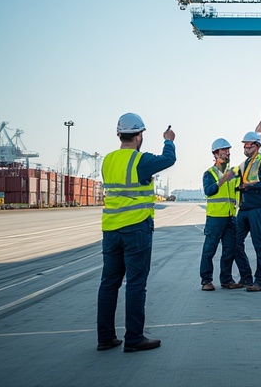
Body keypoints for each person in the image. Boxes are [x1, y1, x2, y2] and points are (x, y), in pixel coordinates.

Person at [96, 113, 175, 353]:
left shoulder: (107, 161)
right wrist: (169, 140)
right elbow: (168, 159)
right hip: (136, 229)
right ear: (139, 136)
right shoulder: (141, 161)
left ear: (119, 134)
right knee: (136, 283)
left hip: (110, 230)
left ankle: (106, 338)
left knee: (109, 284)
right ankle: (134, 338)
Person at [231, 131, 261, 292]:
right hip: (244, 208)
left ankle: (260, 281)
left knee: (258, 244)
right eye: (244, 145)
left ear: (257, 146)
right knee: (235, 242)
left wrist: (247, 186)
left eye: (249, 145)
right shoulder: (244, 164)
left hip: (258, 208)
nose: (246, 147)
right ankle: (246, 277)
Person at [200, 138, 242, 291]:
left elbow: (239, 190)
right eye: (224, 150)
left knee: (229, 250)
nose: (227, 153)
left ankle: (226, 279)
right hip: (215, 219)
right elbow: (209, 191)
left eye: (228, 150)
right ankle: (206, 281)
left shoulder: (234, 173)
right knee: (209, 250)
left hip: (231, 218)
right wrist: (223, 179)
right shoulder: (209, 174)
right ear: (215, 154)